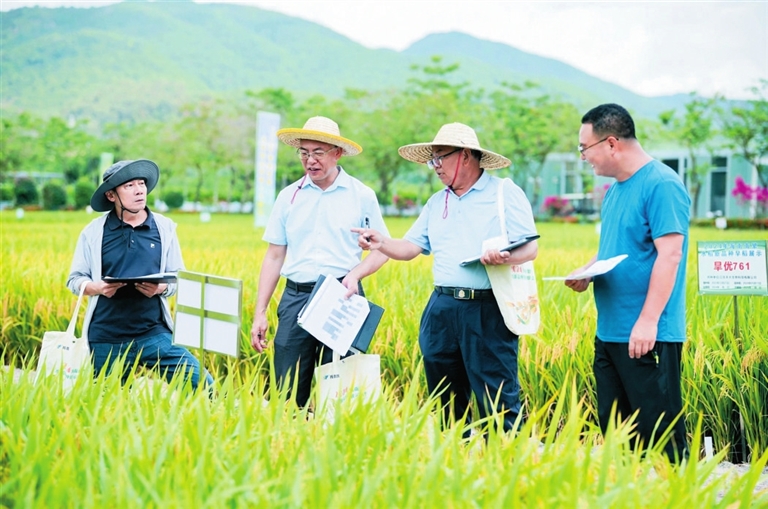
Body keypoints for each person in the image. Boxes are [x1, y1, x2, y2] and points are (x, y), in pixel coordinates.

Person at [353, 122, 538, 433]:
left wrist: (504, 256)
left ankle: (506, 464)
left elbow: (530, 247)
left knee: (497, 396)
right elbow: (411, 248)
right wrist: (381, 241)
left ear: (465, 156)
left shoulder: (504, 193)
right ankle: (455, 460)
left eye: (440, 158)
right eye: (432, 160)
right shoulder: (437, 201)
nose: (435, 167)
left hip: (487, 308)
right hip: (442, 307)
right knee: (445, 396)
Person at [566, 104, 690, 462]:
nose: (583, 157)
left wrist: (648, 321)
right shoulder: (616, 191)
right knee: (619, 439)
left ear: (610, 143)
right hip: (610, 333)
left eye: (583, 148)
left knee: (662, 440)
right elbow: (613, 249)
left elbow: (670, 255)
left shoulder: (662, 184)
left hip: (646, 336)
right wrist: (586, 271)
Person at [250, 116, 389, 408]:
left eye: (318, 153)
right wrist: (260, 312)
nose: (310, 160)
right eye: (304, 153)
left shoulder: (361, 196)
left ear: (337, 153)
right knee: (286, 391)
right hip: (296, 297)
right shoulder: (288, 197)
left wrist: (356, 274)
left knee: (340, 394)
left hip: (343, 296)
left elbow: (382, 249)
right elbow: (274, 255)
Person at [67, 159, 213, 390]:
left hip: (153, 332)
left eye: (141, 183)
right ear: (111, 196)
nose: (139, 190)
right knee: (107, 405)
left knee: (203, 384)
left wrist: (161, 288)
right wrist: (98, 288)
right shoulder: (94, 232)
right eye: (129, 186)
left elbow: (180, 278)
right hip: (106, 336)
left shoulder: (164, 228)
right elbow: (74, 279)